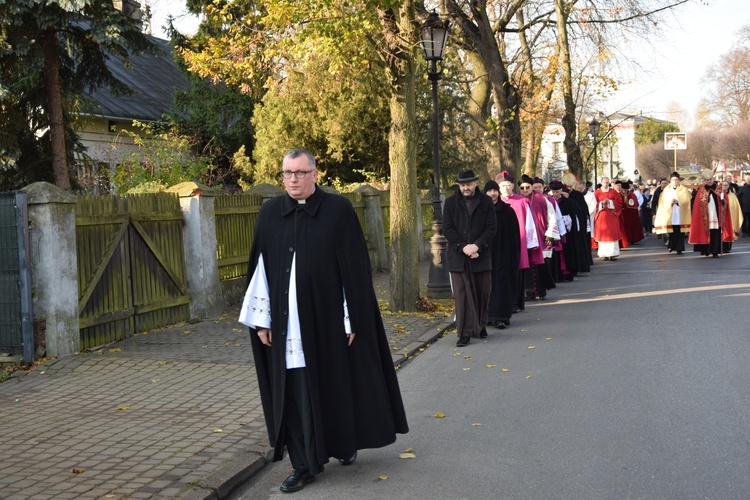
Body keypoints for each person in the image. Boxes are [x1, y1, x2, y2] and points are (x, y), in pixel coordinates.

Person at [238, 148, 408, 493]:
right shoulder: (270, 213)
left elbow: (354, 271)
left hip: (328, 321)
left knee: (332, 384)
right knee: (296, 390)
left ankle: (341, 443)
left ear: (316, 174)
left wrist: (351, 318)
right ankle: (304, 464)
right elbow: (259, 271)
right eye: (287, 173)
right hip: (287, 326)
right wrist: (262, 321)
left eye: (300, 173)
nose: (293, 180)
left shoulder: (338, 211)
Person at [443, 170, 497, 347]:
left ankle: (480, 326)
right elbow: (448, 228)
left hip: (480, 255)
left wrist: (477, 246)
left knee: (483, 293)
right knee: (462, 295)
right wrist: (464, 247)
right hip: (459, 257)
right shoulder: (451, 203)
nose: (465, 187)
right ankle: (464, 333)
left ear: (475, 183)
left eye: (468, 184)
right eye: (462, 185)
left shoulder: (486, 201)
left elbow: (491, 227)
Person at [497, 171, 540, 315]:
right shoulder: (492, 202)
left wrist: (530, 243)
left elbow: (529, 223)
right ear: (499, 187)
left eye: (508, 185)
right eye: (503, 186)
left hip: (519, 242)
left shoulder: (522, 201)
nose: (506, 188)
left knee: (517, 273)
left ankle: (515, 302)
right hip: (499, 244)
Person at [483, 180, 521, 329]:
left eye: (495, 190)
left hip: (504, 254)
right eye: (489, 191)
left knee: (502, 284)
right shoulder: (480, 211)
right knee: (487, 285)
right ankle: (486, 315)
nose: (492, 194)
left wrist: (514, 256)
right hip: (485, 254)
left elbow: (515, 237)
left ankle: (500, 316)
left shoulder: (507, 211)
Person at [654, 172, 692, 255]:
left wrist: (678, 201)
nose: (675, 181)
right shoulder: (666, 190)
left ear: (679, 180)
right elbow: (662, 202)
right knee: (671, 231)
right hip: (670, 213)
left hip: (680, 213)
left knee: (680, 232)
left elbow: (687, 201)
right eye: (673, 180)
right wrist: (670, 202)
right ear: (670, 180)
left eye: (676, 180)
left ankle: (679, 248)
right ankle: (672, 246)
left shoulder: (684, 190)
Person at [690, 171, 723, 257]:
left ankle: (715, 251)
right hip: (705, 216)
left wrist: (723, 201)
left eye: (711, 179)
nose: (709, 181)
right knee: (706, 233)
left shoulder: (719, 188)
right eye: (707, 180)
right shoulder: (701, 190)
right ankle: (706, 250)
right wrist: (704, 201)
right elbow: (697, 204)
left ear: (713, 179)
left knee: (715, 233)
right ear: (705, 180)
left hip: (716, 215)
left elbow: (724, 201)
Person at [593, 177, 623, 261]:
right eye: (604, 182)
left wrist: (610, 202)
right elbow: (593, 205)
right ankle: (605, 254)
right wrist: (601, 203)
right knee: (603, 235)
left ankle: (612, 254)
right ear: (601, 182)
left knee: (612, 235)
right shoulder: (596, 193)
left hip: (612, 217)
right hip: (601, 218)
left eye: (607, 182)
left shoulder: (613, 192)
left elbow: (619, 203)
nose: (606, 184)